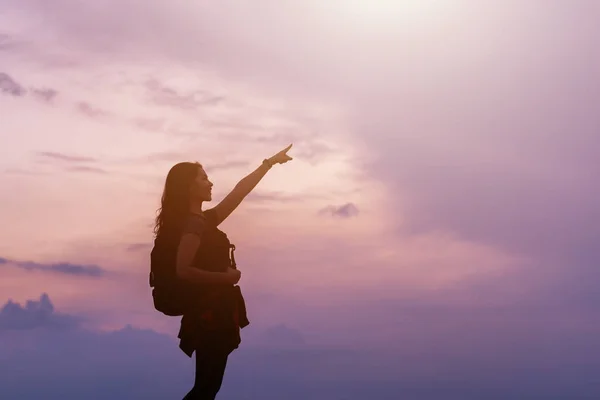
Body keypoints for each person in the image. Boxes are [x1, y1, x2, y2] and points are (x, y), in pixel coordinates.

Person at [152, 144, 293, 399]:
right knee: (206, 388)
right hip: (209, 315)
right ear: (189, 187)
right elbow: (183, 270)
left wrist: (268, 164)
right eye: (203, 178)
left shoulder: (203, 221)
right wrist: (227, 278)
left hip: (212, 312)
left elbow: (239, 193)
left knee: (207, 387)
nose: (210, 182)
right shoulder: (194, 225)